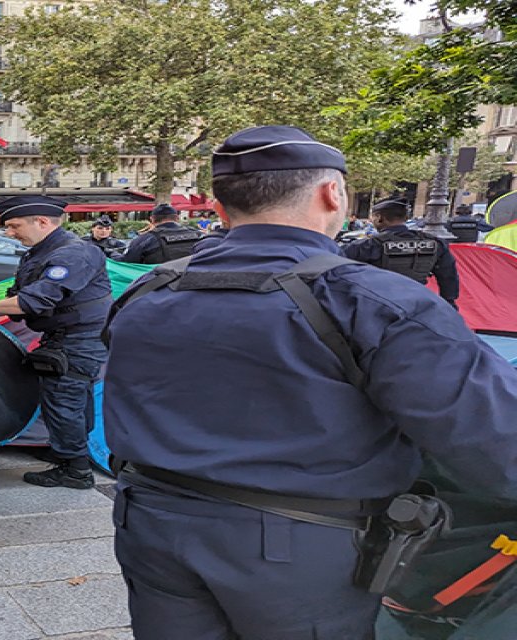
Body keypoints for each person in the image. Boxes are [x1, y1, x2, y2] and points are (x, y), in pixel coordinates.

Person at [103, 125, 517, 640]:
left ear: (218, 206)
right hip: (302, 545)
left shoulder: (149, 288)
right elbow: (494, 438)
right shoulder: (372, 299)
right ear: (333, 194)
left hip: (151, 525)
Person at [0, 196, 112, 489]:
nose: (10, 233)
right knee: (71, 398)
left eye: (14, 226)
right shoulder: (39, 252)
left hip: (79, 340)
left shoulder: (74, 254)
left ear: (43, 222)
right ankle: (71, 453)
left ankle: (75, 470)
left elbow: (37, 298)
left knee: (64, 399)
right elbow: (18, 292)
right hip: (64, 336)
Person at [342, 197, 459, 307]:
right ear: (406, 218)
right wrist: (449, 305)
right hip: (418, 306)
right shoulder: (435, 244)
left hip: (377, 307)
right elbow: (448, 277)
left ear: (379, 217)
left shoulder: (367, 246)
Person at [118, 204, 203, 264]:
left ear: (152, 219)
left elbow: (128, 264)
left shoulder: (143, 240)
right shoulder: (198, 235)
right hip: (196, 284)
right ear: (177, 218)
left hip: (159, 286)